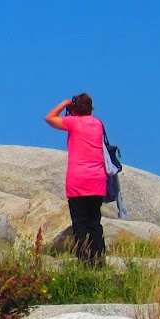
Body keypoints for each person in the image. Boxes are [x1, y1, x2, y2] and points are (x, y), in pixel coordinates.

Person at [46, 93, 108, 266]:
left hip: (78, 181)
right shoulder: (98, 124)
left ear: (74, 109)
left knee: (79, 223)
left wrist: (65, 103)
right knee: (94, 223)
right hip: (97, 181)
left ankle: (84, 261)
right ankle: (99, 261)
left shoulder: (73, 123)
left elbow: (49, 118)